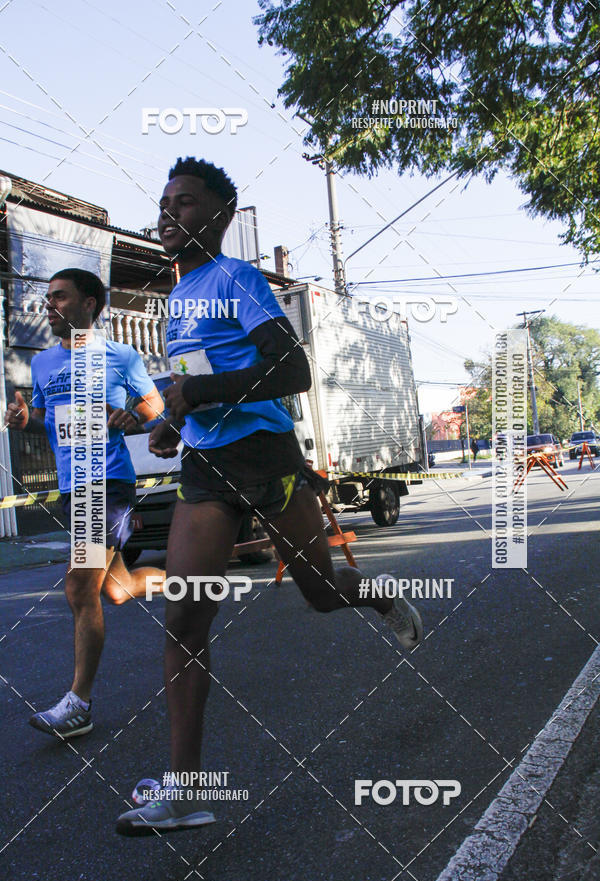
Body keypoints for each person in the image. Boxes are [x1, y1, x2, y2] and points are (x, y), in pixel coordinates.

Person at [116, 158, 423, 835]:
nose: (169, 215)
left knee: (318, 593)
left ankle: (374, 595)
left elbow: (292, 368)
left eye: (186, 203)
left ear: (221, 214)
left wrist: (198, 395)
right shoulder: (178, 296)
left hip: (267, 458)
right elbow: (201, 379)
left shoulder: (237, 279)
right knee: (185, 623)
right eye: (163, 203)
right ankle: (186, 790)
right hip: (206, 466)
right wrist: (173, 420)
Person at [5, 268, 166, 738]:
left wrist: (130, 417)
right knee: (114, 590)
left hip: (108, 482)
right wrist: (24, 418)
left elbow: (154, 410)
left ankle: (79, 703)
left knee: (79, 588)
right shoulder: (42, 364)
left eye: (60, 297)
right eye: (48, 298)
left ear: (90, 304)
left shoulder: (120, 356)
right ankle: (184, 576)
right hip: (74, 487)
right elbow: (45, 418)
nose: (49, 306)